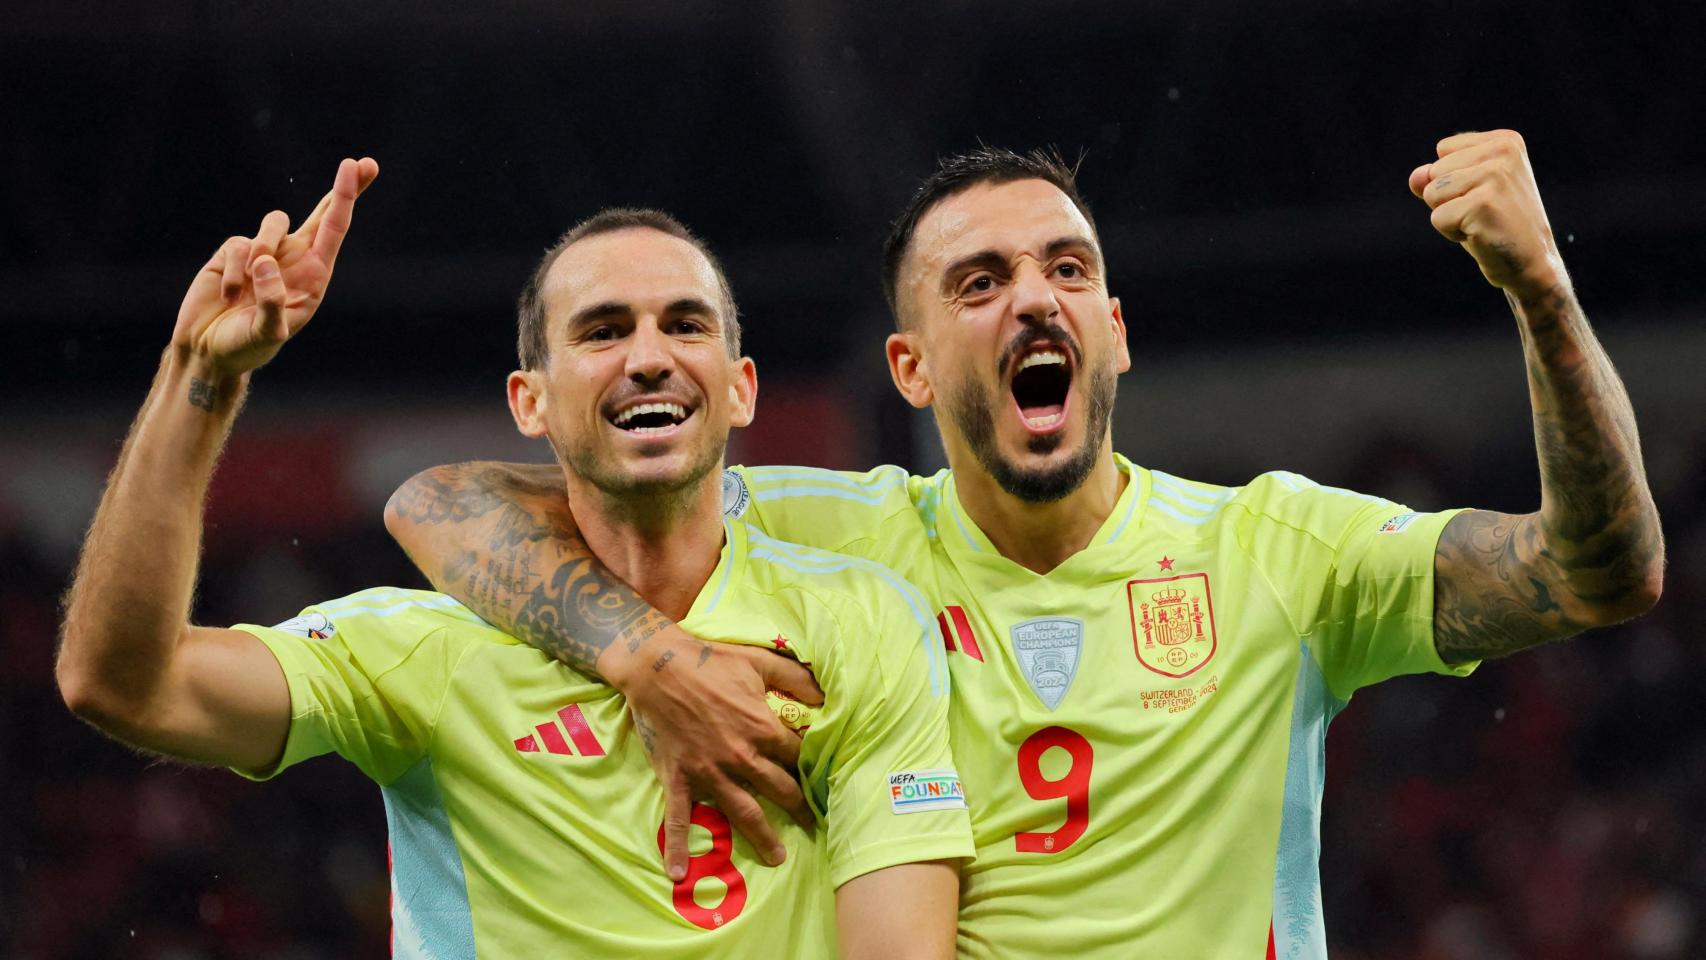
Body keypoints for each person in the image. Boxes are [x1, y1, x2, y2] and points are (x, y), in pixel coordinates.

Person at [386, 131, 1664, 957]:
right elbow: (437, 503)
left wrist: (1541, 289)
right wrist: (643, 657)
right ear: (908, 365)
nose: (1031, 297)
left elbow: (1598, 572)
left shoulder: (1279, 547)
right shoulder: (819, 532)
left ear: (1111, 329)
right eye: (979, 282)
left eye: (1064, 268)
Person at [55, 160, 974, 959]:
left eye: (685, 325)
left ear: (741, 390)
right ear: (528, 403)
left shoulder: (857, 621)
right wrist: (200, 376)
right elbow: (123, 683)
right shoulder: (425, 655)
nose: (649, 357)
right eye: (603, 331)